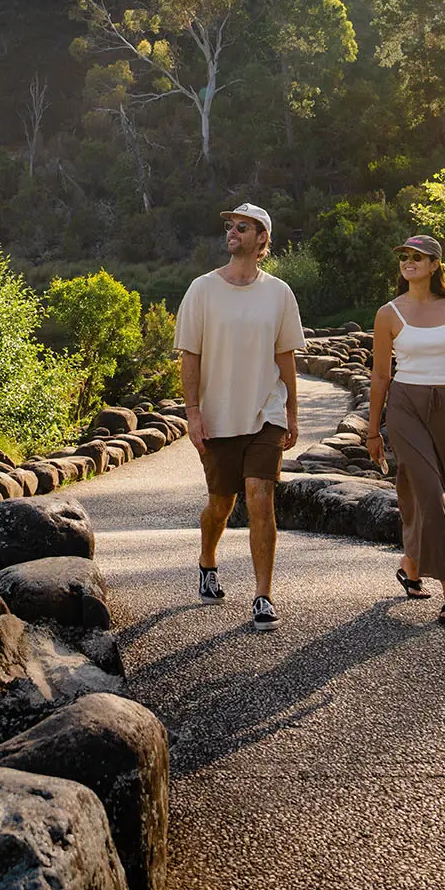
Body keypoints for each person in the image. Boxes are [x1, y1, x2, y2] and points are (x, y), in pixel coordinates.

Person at [176, 202, 304, 633]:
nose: (232, 231)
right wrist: (193, 413)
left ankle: (263, 596)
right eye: (229, 225)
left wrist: (291, 412)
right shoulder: (202, 290)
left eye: (242, 227)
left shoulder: (279, 293)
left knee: (260, 498)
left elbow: (284, 356)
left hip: (265, 412)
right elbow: (189, 357)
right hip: (217, 415)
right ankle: (207, 560)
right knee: (221, 504)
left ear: (262, 238)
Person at [364, 234, 445, 626]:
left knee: (433, 489)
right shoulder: (388, 313)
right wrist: (372, 430)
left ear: (435, 265)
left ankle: (410, 566)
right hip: (405, 405)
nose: (409, 262)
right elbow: (380, 376)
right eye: (405, 257)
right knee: (432, 494)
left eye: (418, 257)